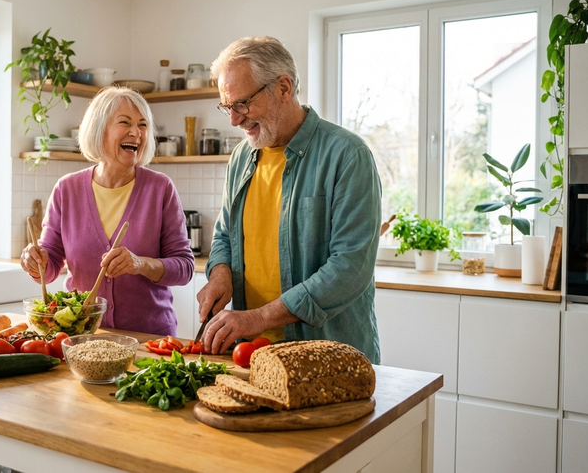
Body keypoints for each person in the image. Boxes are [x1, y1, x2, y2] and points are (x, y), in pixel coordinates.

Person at [196, 36, 382, 363]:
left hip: (328, 358)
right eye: (227, 106)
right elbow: (225, 233)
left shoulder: (347, 155)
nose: (234, 119)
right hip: (252, 355)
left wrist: (259, 317)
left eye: (242, 103)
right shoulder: (241, 157)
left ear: (283, 88)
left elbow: (349, 268)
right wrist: (220, 272)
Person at [21, 86, 194, 336]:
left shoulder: (160, 189)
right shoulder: (66, 190)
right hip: (83, 336)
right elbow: (50, 266)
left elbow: (185, 267)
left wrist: (139, 264)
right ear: (99, 130)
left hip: (150, 339)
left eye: (143, 125)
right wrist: (35, 261)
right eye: (125, 123)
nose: (136, 133)